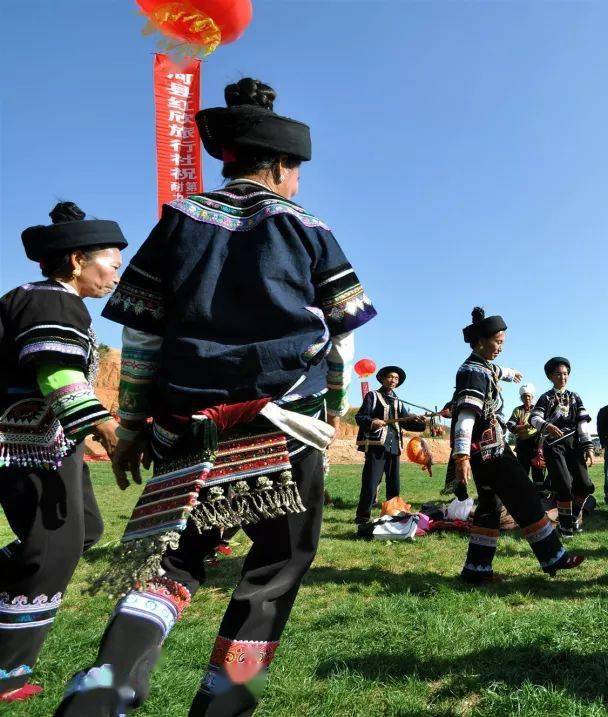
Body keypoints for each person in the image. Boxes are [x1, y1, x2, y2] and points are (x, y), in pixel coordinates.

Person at [57, 78, 375, 716]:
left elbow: (142, 335)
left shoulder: (178, 223)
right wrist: (332, 406)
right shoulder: (308, 228)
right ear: (283, 166)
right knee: (276, 564)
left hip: (187, 424)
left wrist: (138, 424)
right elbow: (339, 335)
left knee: (169, 561)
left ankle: (102, 695)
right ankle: (224, 705)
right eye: (297, 172)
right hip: (282, 425)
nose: (298, 182)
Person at [0, 203, 126, 703]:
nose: (115, 276)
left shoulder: (48, 299)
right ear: (77, 260)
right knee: (49, 549)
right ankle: (7, 671)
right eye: (112, 265)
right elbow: (57, 375)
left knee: (85, 531)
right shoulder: (51, 301)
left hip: (51, 442)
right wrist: (108, 428)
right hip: (23, 444)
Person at [451, 307, 584, 584]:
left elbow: (499, 371)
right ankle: (553, 556)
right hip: (490, 453)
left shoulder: (484, 367)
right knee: (525, 495)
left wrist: (512, 374)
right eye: (497, 342)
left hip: (485, 452)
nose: (500, 347)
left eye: (502, 342)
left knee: (489, 507)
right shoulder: (473, 372)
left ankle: (477, 570)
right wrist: (461, 457)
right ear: (480, 342)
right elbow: (465, 417)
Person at [354, 365, 428, 530]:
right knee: (371, 482)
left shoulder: (398, 400)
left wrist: (419, 421)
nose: (393, 380)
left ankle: (392, 514)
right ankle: (362, 516)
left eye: (396, 378)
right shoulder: (372, 396)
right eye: (390, 377)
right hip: (377, 446)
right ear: (382, 379)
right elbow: (360, 417)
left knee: (394, 483)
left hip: (394, 446)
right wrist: (373, 422)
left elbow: (405, 423)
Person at [529, 357, 596, 537]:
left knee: (584, 485)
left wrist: (588, 446)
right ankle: (566, 527)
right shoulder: (546, 398)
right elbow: (534, 418)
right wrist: (547, 426)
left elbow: (582, 423)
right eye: (558, 374)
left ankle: (572, 519)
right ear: (550, 376)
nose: (563, 377)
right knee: (564, 485)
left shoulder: (575, 398)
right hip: (554, 445)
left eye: (566, 373)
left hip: (574, 445)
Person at [506, 383, 546, 489]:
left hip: (536, 444)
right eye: (524, 396)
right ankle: (525, 494)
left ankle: (540, 493)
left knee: (538, 471)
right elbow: (510, 425)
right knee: (523, 472)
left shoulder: (538, 409)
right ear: (521, 398)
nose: (527, 398)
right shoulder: (518, 410)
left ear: (532, 397)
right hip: (522, 445)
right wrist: (522, 427)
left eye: (529, 396)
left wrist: (519, 427)